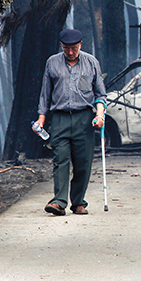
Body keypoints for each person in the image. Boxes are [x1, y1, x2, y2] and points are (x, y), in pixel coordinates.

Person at [35, 28, 106, 215]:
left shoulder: (91, 62)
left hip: (84, 118)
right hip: (59, 119)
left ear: (80, 45)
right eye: (67, 48)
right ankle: (59, 202)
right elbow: (45, 94)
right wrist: (41, 119)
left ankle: (78, 202)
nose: (71, 52)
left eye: (74, 48)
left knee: (83, 162)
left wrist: (100, 116)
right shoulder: (52, 63)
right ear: (62, 46)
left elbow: (100, 94)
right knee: (61, 160)